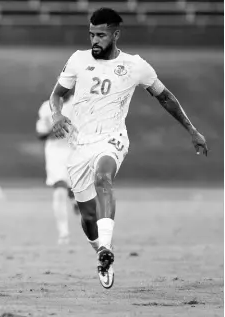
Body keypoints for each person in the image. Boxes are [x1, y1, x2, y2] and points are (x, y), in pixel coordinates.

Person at [49, 8, 208, 289]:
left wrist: (191, 129)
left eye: (101, 35)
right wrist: (57, 114)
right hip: (80, 144)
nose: (94, 40)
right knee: (87, 217)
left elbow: (166, 97)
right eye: (91, 34)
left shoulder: (135, 66)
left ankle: (107, 246)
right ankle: (101, 251)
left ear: (115, 35)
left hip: (113, 139)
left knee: (103, 178)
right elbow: (57, 95)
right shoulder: (77, 59)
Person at [36, 91, 79, 245]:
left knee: (78, 189)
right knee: (59, 188)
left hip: (76, 148)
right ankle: (63, 233)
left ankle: (75, 199)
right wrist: (54, 129)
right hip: (55, 151)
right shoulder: (46, 107)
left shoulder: (80, 103)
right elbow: (40, 134)